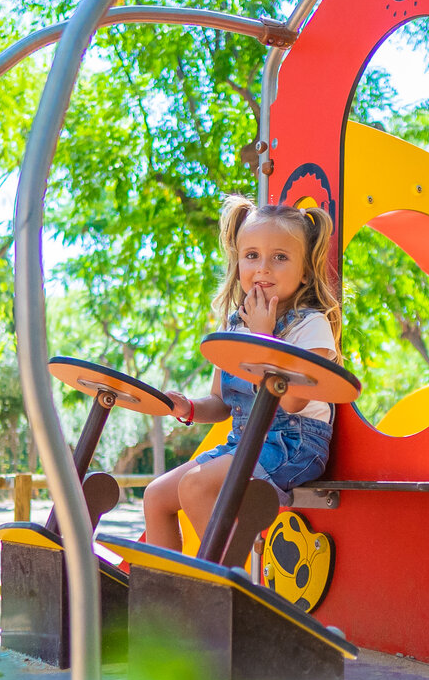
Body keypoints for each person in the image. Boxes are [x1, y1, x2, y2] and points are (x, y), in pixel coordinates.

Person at [143, 197, 342, 553]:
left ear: (305, 272)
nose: (263, 268)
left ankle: (228, 582)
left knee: (195, 486)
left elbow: (294, 400)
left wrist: (265, 338)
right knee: (156, 496)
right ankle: (166, 601)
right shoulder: (236, 326)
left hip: (294, 444)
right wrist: (187, 407)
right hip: (245, 441)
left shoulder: (310, 326)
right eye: (252, 256)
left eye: (280, 257)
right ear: (238, 264)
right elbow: (221, 403)